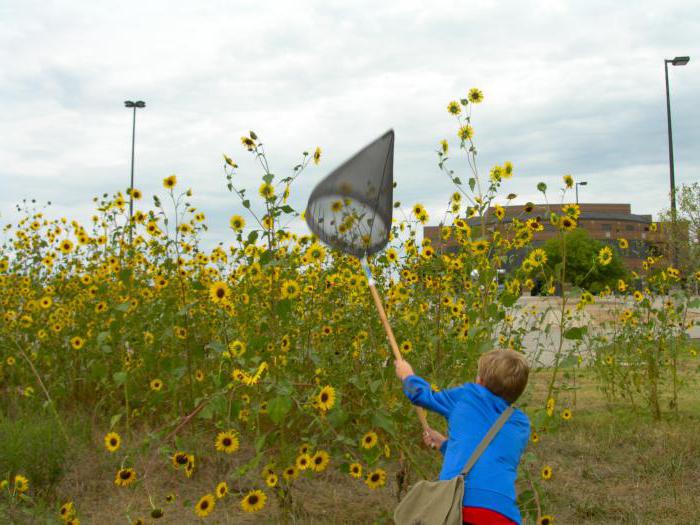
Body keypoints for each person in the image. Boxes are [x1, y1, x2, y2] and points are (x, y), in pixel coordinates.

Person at [395, 349, 531, 525]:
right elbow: (490, 454)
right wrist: (445, 444)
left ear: (479, 381)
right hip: (503, 514)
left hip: (462, 508)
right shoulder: (521, 424)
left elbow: (421, 396)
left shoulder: (467, 396)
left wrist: (407, 376)